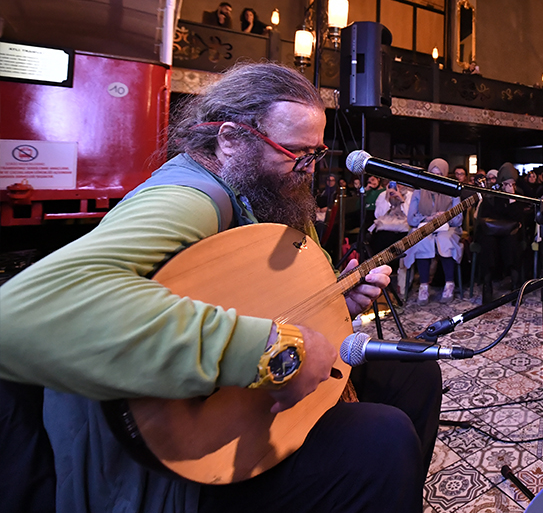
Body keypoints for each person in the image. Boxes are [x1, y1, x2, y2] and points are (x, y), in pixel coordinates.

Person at [0, 63, 439, 513]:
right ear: (230, 138)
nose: (308, 170)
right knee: (380, 440)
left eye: (315, 153)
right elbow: (22, 316)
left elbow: (255, 298)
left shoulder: (270, 193)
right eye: (292, 152)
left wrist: (335, 299)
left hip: (238, 401)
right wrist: (273, 350)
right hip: (162, 455)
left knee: (415, 371)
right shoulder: (187, 196)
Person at [405, 158, 463, 302]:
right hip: (425, 227)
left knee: (445, 240)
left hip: (447, 228)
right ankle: (424, 286)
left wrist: (445, 216)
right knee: (422, 240)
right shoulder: (419, 192)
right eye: (432, 173)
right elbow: (411, 219)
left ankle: (449, 283)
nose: (435, 177)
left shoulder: (453, 191)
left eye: (439, 174)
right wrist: (428, 218)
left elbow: (458, 220)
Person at [476, 163, 531, 301]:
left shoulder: (518, 195)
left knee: (512, 243)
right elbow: (487, 215)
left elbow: (518, 218)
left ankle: (515, 284)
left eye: (512, 184)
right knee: (488, 244)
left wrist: (512, 199)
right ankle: (487, 286)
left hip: (510, 232)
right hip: (492, 232)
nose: (509, 186)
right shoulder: (491, 194)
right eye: (506, 183)